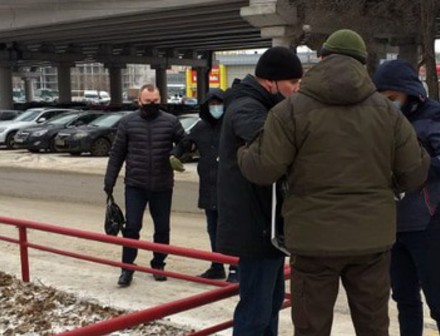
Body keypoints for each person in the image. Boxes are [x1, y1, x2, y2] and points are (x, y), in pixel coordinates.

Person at [237, 29, 430, 336]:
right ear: (363, 64)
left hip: (313, 241)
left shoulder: (290, 111)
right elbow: (415, 172)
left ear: (322, 58)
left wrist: (244, 151)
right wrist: (386, 187)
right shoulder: (387, 114)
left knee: (311, 328)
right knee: (373, 326)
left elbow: (262, 169)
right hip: (371, 240)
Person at [372, 59, 440, 336]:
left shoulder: (434, 118)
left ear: (408, 92)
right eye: (381, 100)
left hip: (429, 224)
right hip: (393, 227)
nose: (387, 104)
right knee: (405, 300)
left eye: (392, 98)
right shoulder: (380, 120)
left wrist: (413, 173)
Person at [216, 46, 303, 335]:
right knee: (255, 311)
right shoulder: (246, 106)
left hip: (267, 226)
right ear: (271, 82)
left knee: (270, 303)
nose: (296, 90)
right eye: (293, 84)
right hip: (254, 227)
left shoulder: (262, 104)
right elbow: (272, 145)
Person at [104, 84, 185, 288]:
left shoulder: (170, 121)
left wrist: (177, 152)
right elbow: (117, 154)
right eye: (148, 101)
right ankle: (127, 268)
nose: (152, 105)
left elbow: (185, 142)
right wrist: (109, 181)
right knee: (131, 227)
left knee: (162, 228)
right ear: (139, 101)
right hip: (135, 185)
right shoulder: (127, 123)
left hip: (162, 184)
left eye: (156, 101)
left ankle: (158, 265)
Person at [170, 88, 239, 283]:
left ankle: (235, 267)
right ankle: (217, 265)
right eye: (212, 104)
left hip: (230, 188)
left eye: (219, 104)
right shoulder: (201, 127)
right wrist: (175, 154)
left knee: (231, 229)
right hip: (208, 187)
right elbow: (186, 143)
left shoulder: (231, 125)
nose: (216, 108)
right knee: (213, 229)